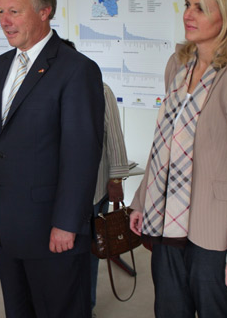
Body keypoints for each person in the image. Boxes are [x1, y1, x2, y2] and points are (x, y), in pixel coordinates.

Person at [129, 0, 227, 318]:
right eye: (188, 4)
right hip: (166, 220)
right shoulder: (177, 65)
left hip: (215, 232)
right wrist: (140, 201)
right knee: (169, 311)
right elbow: (163, 143)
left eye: (201, 8)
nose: (188, 14)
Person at [0, 0, 104, 317]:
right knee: (18, 309)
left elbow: (81, 156)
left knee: (59, 309)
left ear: (44, 11)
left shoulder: (77, 70)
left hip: (50, 226)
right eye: (0, 11)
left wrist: (66, 222)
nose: (4, 21)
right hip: (5, 223)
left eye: (14, 11)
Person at [91, 82, 130, 314]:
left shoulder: (100, 90)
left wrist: (116, 180)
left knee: (91, 250)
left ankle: (86, 306)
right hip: (54, 193)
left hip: (93, 191)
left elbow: (115, 137)